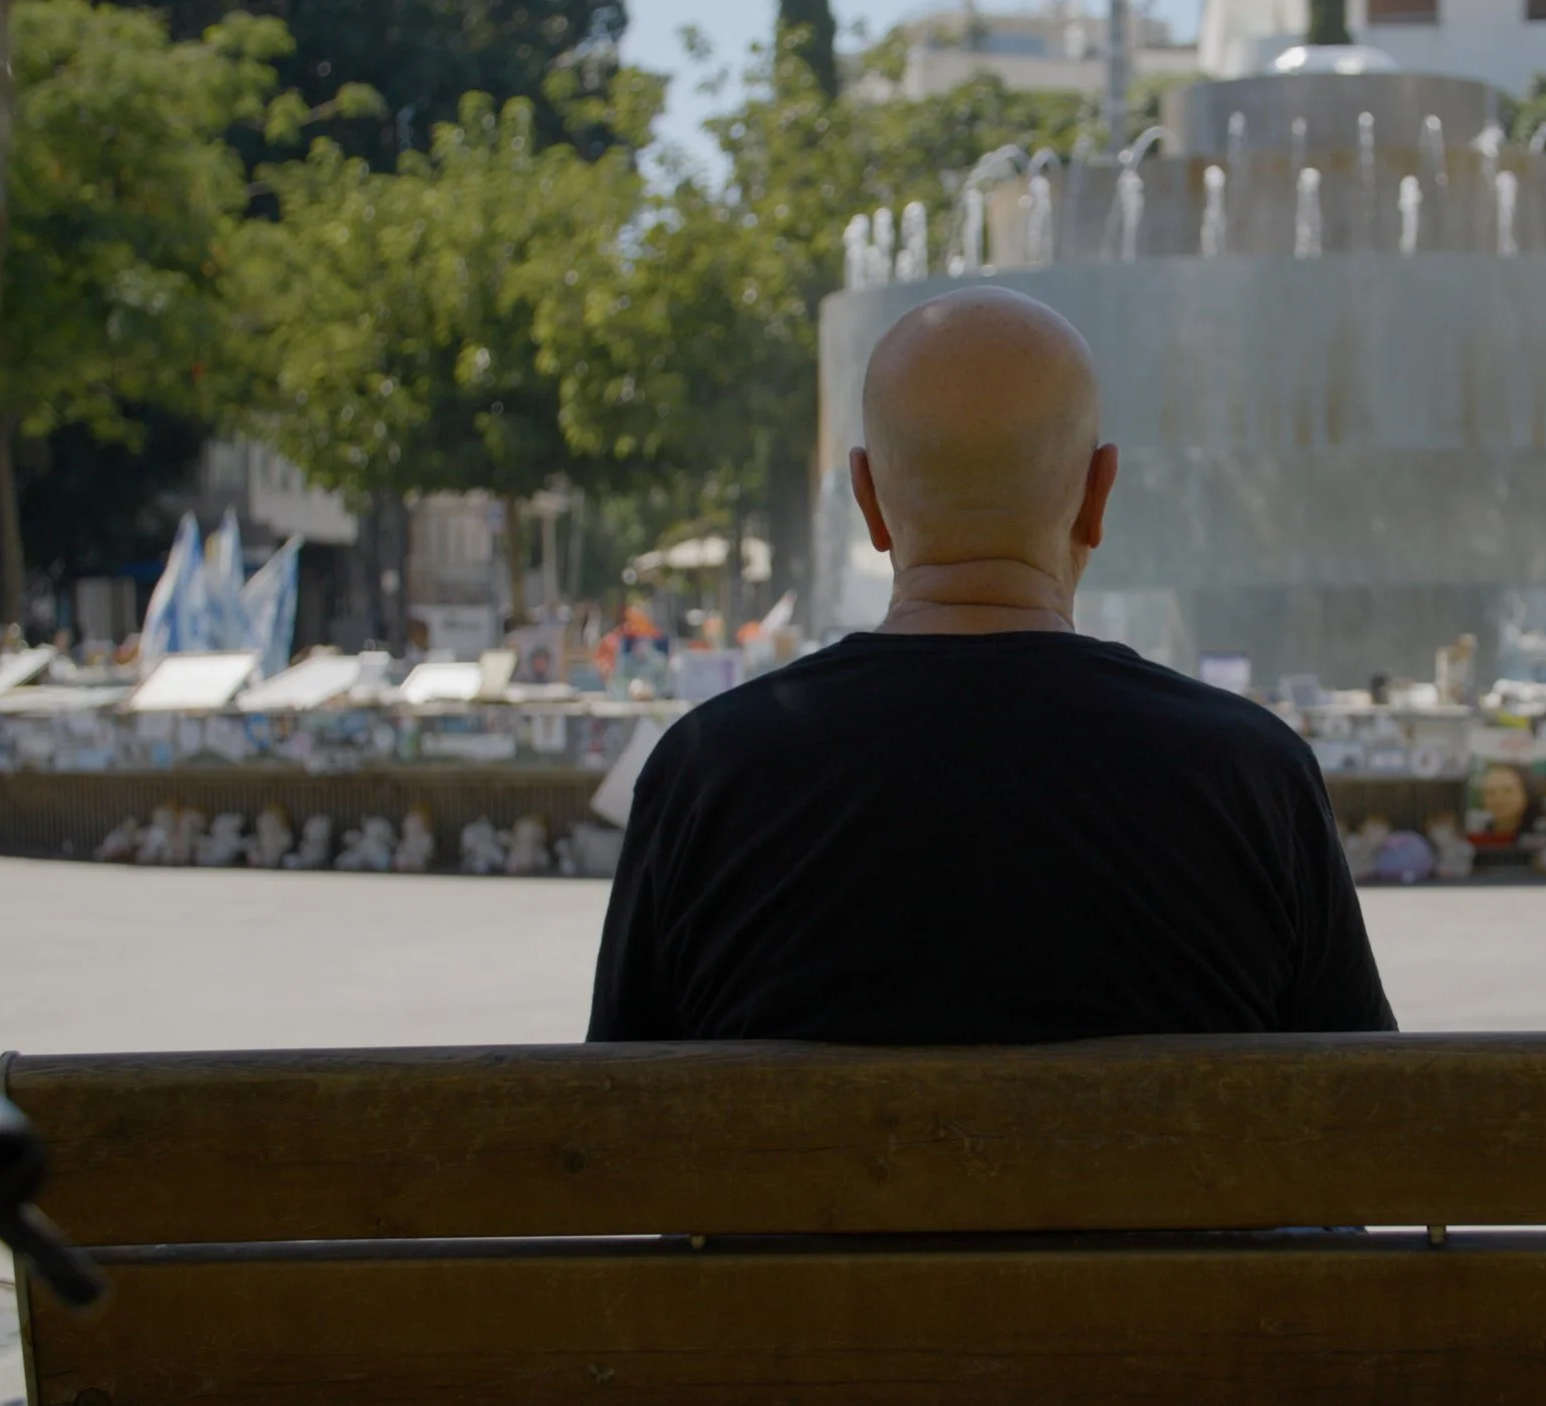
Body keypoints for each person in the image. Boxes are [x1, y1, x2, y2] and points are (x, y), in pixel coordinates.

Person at [588, 287, 1395, 1043]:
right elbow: (1370, 1128)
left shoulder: (708, 774)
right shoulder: (1253, 775)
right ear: (1097, 496)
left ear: (867, 499)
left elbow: (614, 1128)